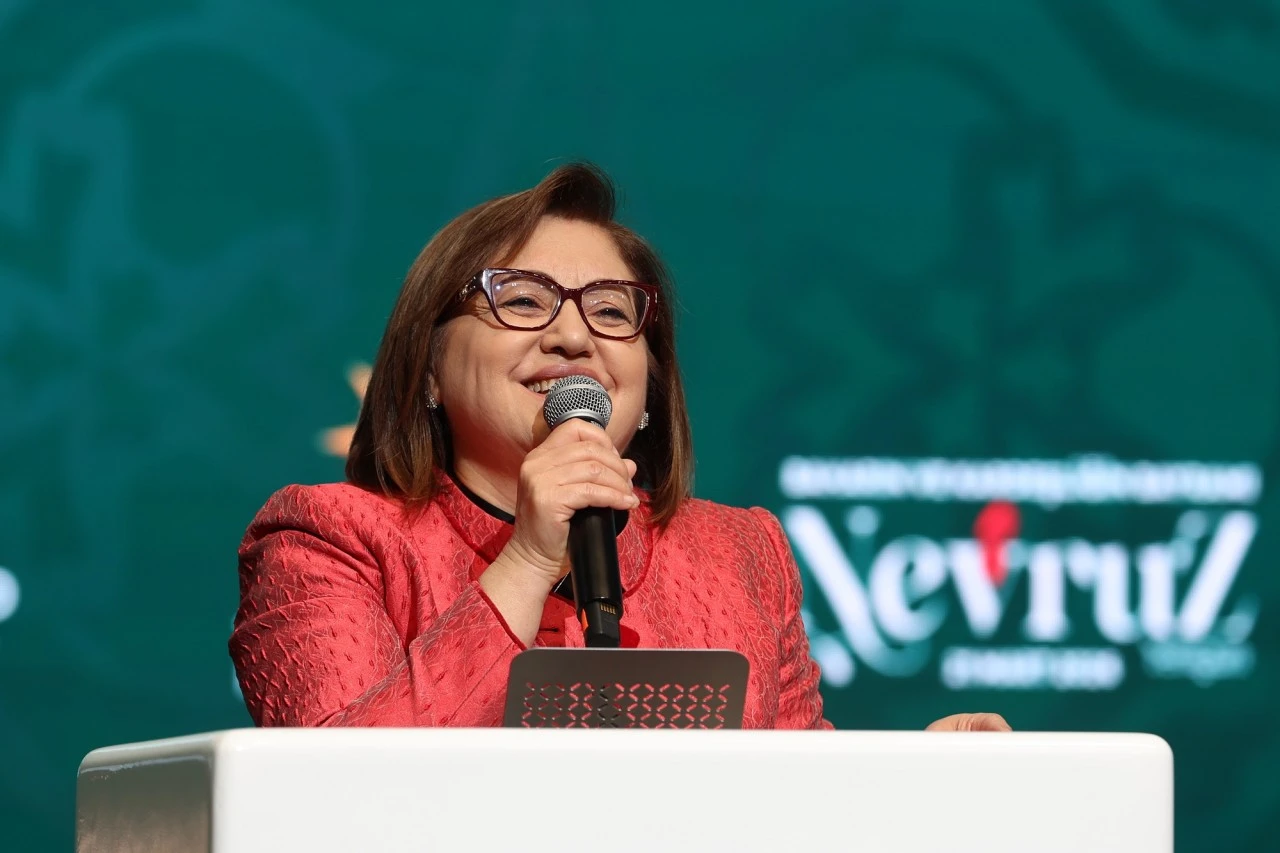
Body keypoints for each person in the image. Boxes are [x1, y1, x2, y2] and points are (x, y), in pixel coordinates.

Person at [229, 163, 1008, 733]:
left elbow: (795, 799)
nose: (574, 336)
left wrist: (912, 779)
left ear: (651, 383)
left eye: (610, 311)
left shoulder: (740, 552)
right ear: (427, 369)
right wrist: (528, 561)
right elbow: (328, 797)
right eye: (522, 299)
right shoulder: (326, 540)